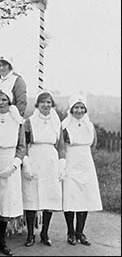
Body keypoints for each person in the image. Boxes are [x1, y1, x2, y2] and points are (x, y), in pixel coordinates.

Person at [21, 91, 65, 248]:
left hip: (50, 161)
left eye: (48, 102)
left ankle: (45, 232)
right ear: (37, 104)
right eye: (43, 102)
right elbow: (24, 144)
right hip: (34, 158)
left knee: (49, 197)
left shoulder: (56, 122)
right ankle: (30, 234)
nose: (46, 105)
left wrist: (62, 165)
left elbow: (61, 146)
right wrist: (26, 164)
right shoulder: (29, 122)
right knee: (32, 197)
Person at [0, 89, 25, 256]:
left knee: (6, 203)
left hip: (9, 162)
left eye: (4, 99)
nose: (1, 102)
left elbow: (22, 146)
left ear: (9, 102)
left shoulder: (17, 120)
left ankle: (2, 241)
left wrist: (14, 165)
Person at [61, 94, 102, 246]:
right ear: (71, 109)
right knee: (71, 196)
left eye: (81, 107)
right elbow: (61, 145)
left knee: (84, 197)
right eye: (76, 107)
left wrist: (85, 157)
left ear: (85, 109)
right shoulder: (65, 126)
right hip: (71, 161)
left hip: (85, 162)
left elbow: (93, 144)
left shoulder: (89, 126)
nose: (79, 110)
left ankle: (80, 232)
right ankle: (70, 232)